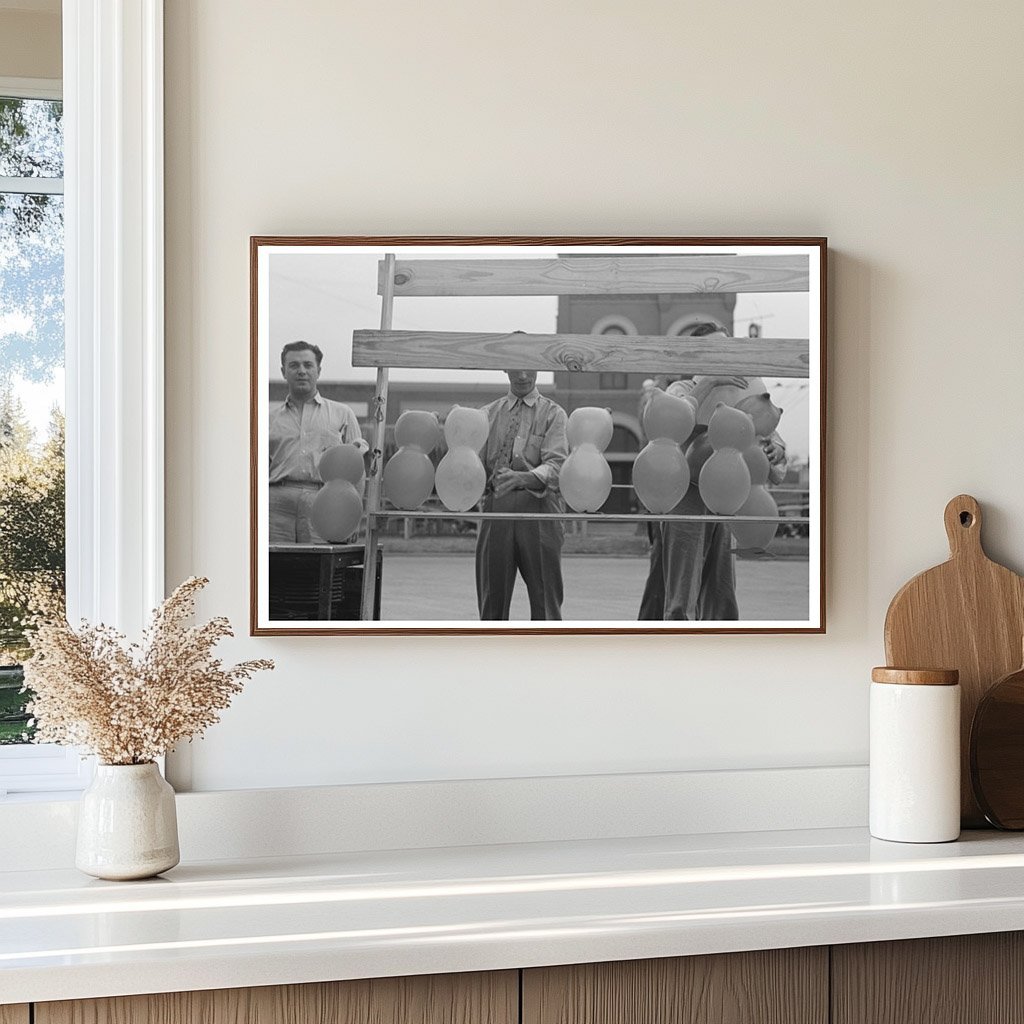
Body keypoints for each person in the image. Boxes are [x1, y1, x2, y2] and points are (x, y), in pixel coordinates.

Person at [638, 324, 788, 620]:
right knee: (681, 587)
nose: (724, 356)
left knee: (722, 589)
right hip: (686, 497)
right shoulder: (681, 390)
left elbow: (770, 433)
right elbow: (672, 423)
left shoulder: (746, 390)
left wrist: (777, 450)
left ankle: (721, 643)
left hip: (730, 497)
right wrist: (707, 382)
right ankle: (675, 640)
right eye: (714, 351)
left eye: (727, 349)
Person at [475, 368, 569, 620]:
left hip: (540, 509)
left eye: (529, 369)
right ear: (505, 368)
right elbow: (472, 465)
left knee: (545, 600)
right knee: (491, 600)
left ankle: (546, 655)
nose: (523, 376)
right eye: (516, 370)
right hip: (497, 510)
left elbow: (558, 466)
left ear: (538, 368)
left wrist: (523, 477)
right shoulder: (486, 415)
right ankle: (492, 654)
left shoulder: (553, 413)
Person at [268, 341, 367, 543]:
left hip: (324, 500)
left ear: (318, 370)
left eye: (308, 365)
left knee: (317, 568)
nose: (301, 371)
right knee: (275, 568)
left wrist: (353, 519)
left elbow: (357, 473)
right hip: (276, 506)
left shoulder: (343, 414)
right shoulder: (268, 419)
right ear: (283, 371)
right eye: (294, 365)